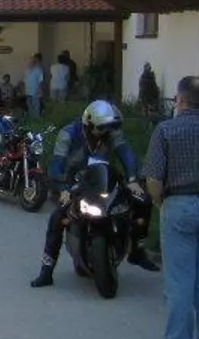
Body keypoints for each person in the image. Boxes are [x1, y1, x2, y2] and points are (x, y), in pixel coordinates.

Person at [30, 100, 159, 288]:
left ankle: (136, 251)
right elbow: (57, 164)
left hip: (105, 180)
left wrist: (132, 179)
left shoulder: (110, 131)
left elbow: (127, 154)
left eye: (108, 128)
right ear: (88, 124)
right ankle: (46, 271)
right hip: (77, 183)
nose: (105, 132)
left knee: (144, 201)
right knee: (57, 218)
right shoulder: (68, 134)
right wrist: (64, 187)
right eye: (101, 128)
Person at [145, 77, 199, 339]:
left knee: (179, 281)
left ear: (181, 100)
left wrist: (161, 201)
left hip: (179, 204)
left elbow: (153, 179)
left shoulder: (166, 130)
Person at [25, 54, 45, 119]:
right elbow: (25, 81)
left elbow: (41, 81)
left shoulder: (38, 70)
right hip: (28, 91)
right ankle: (31, 118)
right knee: (29, 106)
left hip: (35, 91)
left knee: (36, 106)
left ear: (34, 62)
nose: (29, 63)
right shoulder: (27, 70)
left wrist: (40, 90)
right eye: (29, 62)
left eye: (31, 61)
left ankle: (36, 119)